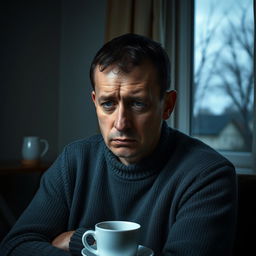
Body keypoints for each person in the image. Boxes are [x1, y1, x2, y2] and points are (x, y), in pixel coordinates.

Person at [0, 33, 237, 256]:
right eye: (108, 104)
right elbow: (15, 246)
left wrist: (83, 242)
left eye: (138, 104)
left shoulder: (208, 175)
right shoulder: (74, 160)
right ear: (95, 102)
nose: (121, 124)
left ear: (167, 105)